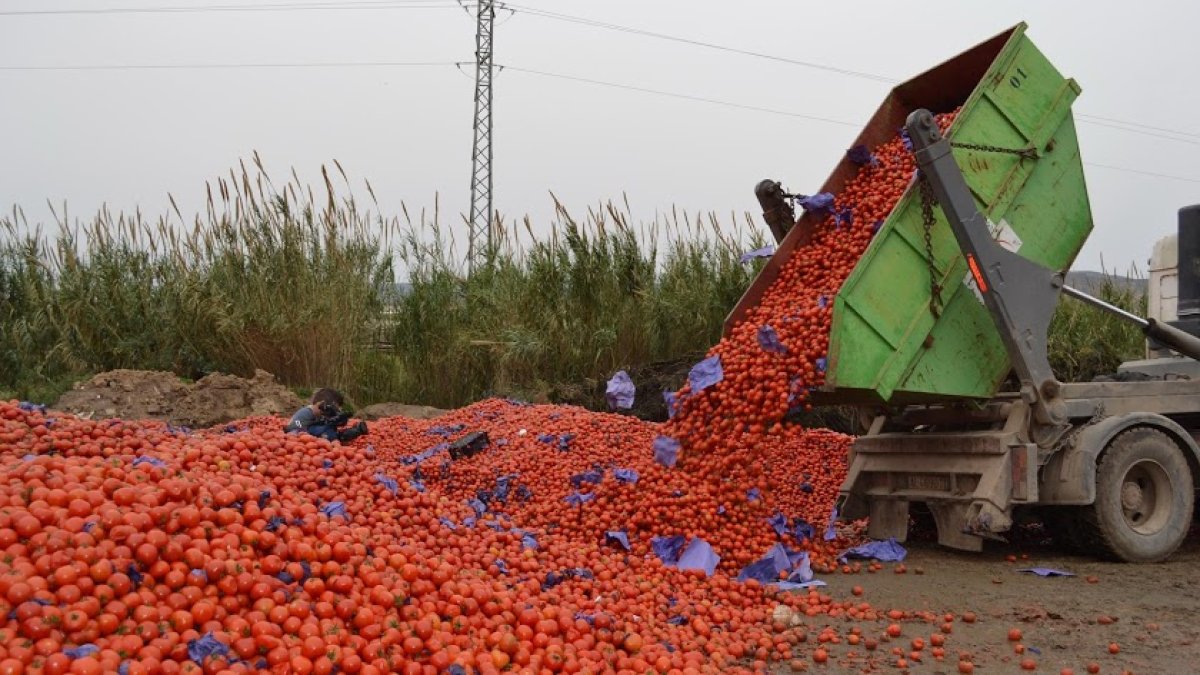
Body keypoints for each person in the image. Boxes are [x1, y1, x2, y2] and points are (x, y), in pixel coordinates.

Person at [285, 388, 368, 442]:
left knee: (334, 432)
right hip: (303, 442)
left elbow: (334, 429)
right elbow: (294, 429)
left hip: (323, 446)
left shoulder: (323, 417)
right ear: (321, 405)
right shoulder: (305, 413)